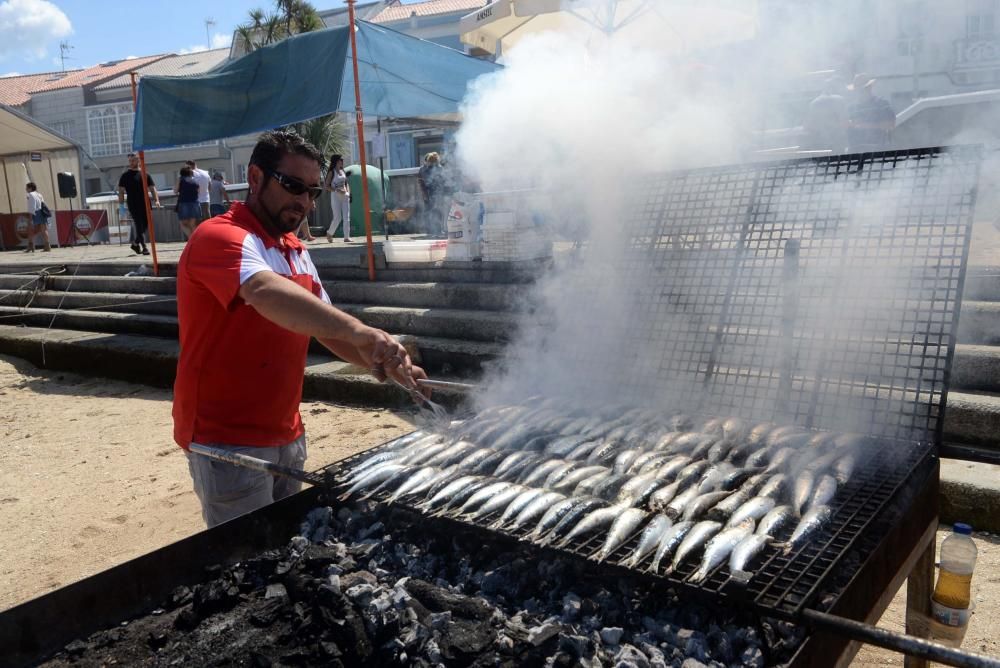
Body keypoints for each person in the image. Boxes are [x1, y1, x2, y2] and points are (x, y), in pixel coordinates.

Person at [174, 130, 429, 528]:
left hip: (287, 431)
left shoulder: (294, 249)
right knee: (248, 557)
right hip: (226, 437)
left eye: (313, 192)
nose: (305, 202)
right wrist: (365, 333)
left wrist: (385, 362)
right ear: (256, 178)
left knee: (286, 549)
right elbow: (262, 291)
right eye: (293, 186)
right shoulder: (219, 236)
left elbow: (326, 328)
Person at [117, 152, 161, 256]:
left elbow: (153, 188)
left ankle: (135, 243)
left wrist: (157, 200)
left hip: (145, 202)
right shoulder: (125, 176)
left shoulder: (145, 174)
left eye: (133, 160)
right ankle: (144, 247)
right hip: (133, 204)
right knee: (138, 225)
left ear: (138, 160)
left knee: (146, 225)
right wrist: (121, 205)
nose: (131, 162)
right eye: (130, 161)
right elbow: (121, 191)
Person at [847, 73, 895, 152]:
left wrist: (863, 125)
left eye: (862, 89)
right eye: (858, 89)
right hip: (856, 152)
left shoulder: (882, 104)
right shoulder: (851, 108)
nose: (860, 92)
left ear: (870, 87)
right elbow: (847, 127)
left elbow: (890, 125)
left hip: (879, 151)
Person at [803, 78, 848, 153]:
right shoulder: (840, 100)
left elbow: (809, 125)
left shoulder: (814, 103)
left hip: (822, 142)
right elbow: (845, 122)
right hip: (839, 141)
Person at [323, 153, 351, 243]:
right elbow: (326, 186)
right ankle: (330, 233)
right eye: (340, 160)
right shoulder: (332, 172)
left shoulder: (343, 171)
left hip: (345, 196)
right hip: (335, 196)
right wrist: (337, 190)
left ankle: (346, 237)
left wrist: (348, 193)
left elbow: (346, 183)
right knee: (337, 217)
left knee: (347, 217)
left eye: (342, 160)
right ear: (336, 161)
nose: (342, 162)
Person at [417, 152, 444, 237]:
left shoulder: (439, 168)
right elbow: (421, 182)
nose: (432, 163)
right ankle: (430, 230)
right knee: (429, 211)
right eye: (431, 161)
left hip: (436, 193)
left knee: (437, 211)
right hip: (428, 192)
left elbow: (442, 181)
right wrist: (424, 193)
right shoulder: (423, 169)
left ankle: (438, 230)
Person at [174, 166, 201, 239]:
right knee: (193, 224)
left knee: (183, 224)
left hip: (183, 203)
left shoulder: (181, 180)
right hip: (195, 203)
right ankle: (196, 240)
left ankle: (191, 239)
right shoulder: (195, 181)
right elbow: (199, 192)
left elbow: (175, 191)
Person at [24, 182, 51, 253]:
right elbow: (43, 203)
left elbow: (31, 207)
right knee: (44, 229)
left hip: (35, 212)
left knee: (30, 229)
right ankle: (47, 246)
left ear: (30, 188)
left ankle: (31, 246)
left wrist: (30, 218)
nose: (26, 189)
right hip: (42, 212)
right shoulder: (39, 194)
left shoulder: (30, 194)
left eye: (27, 187)